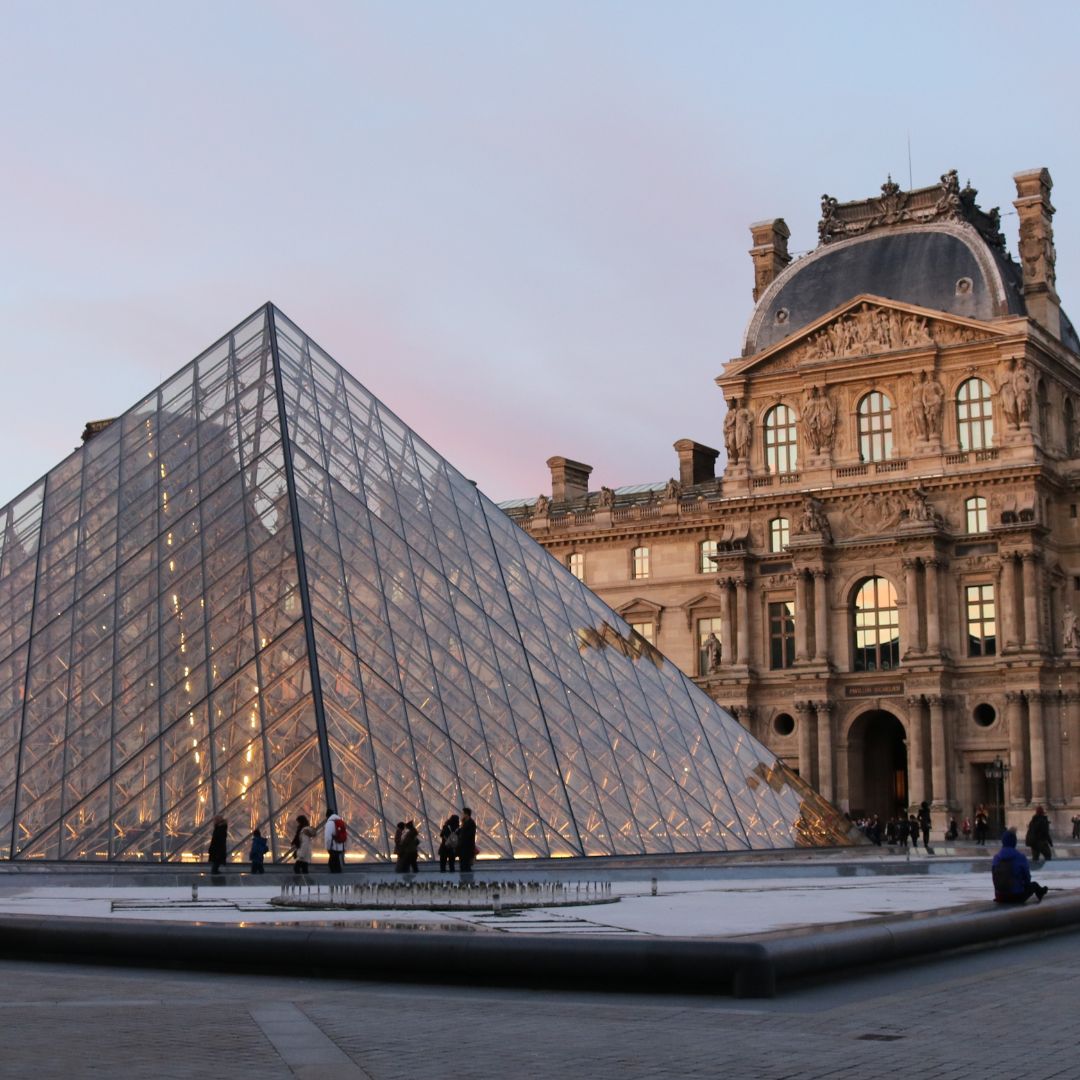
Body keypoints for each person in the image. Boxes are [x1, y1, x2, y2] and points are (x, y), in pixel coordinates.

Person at [992, 829, 1048, 903]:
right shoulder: (1020, 857)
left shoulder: (996, 858)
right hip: (1016, 896)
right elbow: (1027, 877)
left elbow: (994, 877)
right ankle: (1041, 894)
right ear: (1014, 842)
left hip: (1000, 897)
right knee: (1034, 885)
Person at [324, 808, 347, 873]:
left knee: (332, 863)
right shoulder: (340, 821)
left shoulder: (330, 823)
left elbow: (328, 837)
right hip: (339, 845)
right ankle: (339, 875)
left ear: (327, 815)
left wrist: (328, 847)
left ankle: (335, 878)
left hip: (333, 846)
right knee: (336, 861)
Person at [457, 807, 477, 874]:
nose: (462, 815)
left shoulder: (471, 823)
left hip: (467, 846)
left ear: (466, 814)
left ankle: (467, 879)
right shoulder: (465, 822)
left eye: (463, 813)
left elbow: (470, 834)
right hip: (463, 846)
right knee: (463, 863)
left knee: (466, 863)